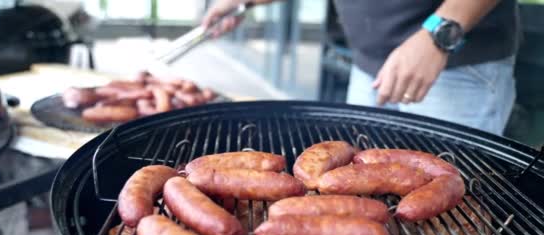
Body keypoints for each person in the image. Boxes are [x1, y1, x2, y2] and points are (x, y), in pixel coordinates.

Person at [203, 0, 519, 135]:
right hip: (369, 67)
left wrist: (438, 36)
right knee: (366, 192)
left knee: (455, 215)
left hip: (455, 67)